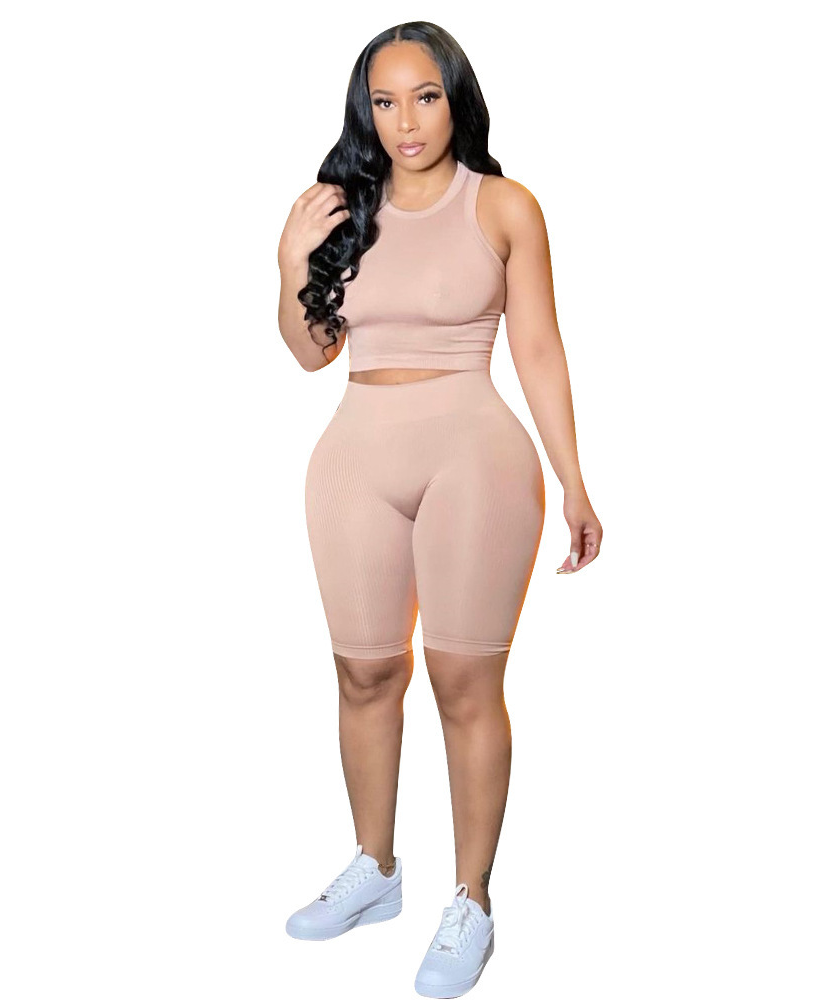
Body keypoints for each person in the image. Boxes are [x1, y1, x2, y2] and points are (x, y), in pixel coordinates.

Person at [276, 21, 602, 998]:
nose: (405, 121)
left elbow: (537, 347)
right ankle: (375, 869)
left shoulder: (502, 205)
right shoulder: (342, 208)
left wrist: (574, 478)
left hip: (475, 458)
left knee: (464, 680)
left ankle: (471, 899)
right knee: (363, 672)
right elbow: (310, 352)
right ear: (364, 111)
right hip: (354, 458)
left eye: (424, 96)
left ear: (455, 98)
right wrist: (291, 262)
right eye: (384, 101)